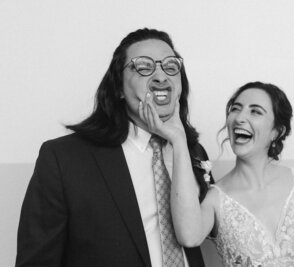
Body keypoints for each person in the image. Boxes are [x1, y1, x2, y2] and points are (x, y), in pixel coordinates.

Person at [16, 28, 213, 267]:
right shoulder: (64, 159)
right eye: (143, 66)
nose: (161, 76)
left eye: (171, 66)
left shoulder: (194, 153)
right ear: (118, 87)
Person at [147, 81, 294, 266]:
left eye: (255, 112)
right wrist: (178, 140)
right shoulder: (216, 199)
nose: (240, 118)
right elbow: (189, 236)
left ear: (276, 131)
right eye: (235, 109)